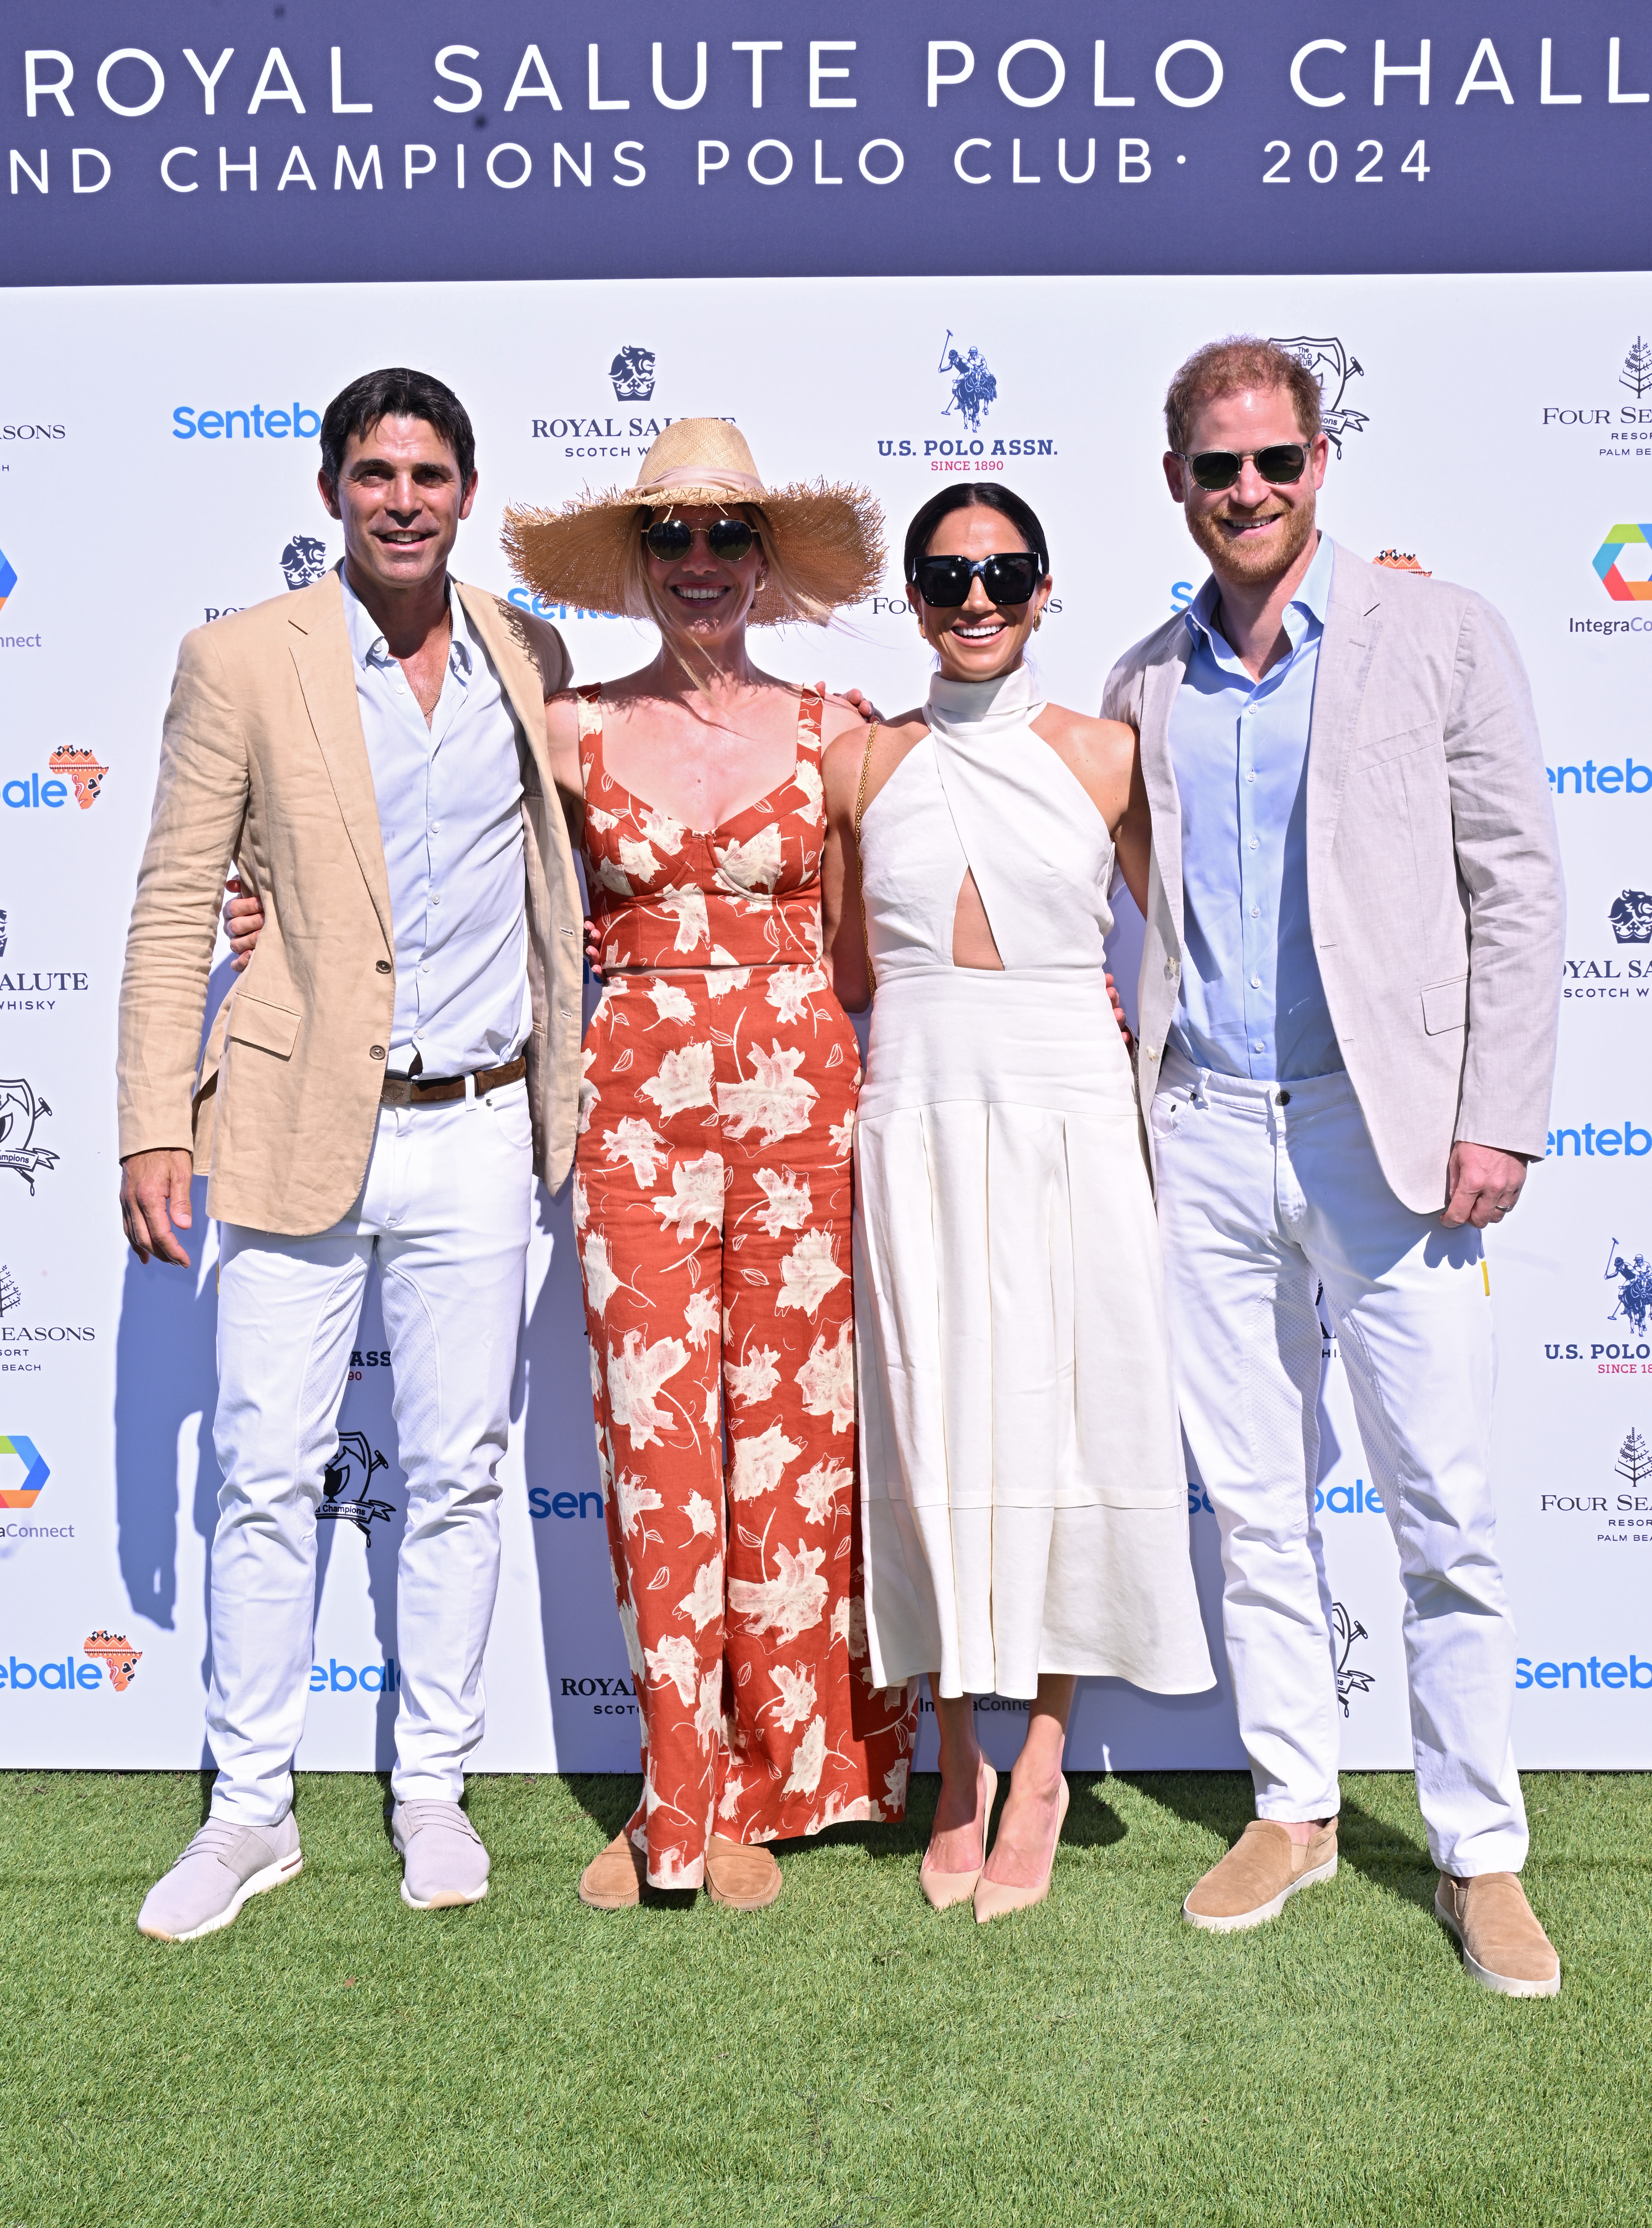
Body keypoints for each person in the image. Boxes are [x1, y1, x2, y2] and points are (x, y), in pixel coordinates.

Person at [1104, 335, 1565, 1995]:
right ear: (1179, 484)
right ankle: (1293, 1804)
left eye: (1275, 462)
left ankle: (1480, 1851)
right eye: (1217, 468)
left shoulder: (1436, 633)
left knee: (1442, 1501)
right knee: (1254, 1500)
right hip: (1210, 1129)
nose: (1248, 491)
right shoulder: (1145, 680)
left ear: (1319, 465)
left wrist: (1498, 1107)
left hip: (1392, 1138)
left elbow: (1515, 879)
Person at [117, 367, 583, 1939]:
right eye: (374, 472)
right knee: (263, 1474)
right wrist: (146, 1120)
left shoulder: (531, 654)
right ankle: (250, 1812)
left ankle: (432, 1790)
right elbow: (180, 897)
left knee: (455, 1475)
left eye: (429, 473)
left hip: (482, 1126)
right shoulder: (240, 661)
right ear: (329, 493)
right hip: (295, 1120)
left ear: (467, 493)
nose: (401, 499)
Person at [503, 420, 919, 1909]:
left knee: (792, 1449)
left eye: (726, 537)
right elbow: (445, 869)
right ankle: (675, 1798)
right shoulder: (570, 731)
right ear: (636, 561)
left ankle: (778, 1779)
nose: (699, 565)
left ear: (765, 560)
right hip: (631, 1113)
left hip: (808, 1102)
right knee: (656, 1449)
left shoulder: (840, 728)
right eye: (670, 539)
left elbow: (876, 942)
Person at [822, 484, 1215, 1923]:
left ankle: (1042, 1757)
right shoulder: (862, 764)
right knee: (933, 1429)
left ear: (1045, 590)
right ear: (911, 599)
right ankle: (958, 1762)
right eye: (946, 575)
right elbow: (848, 967)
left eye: (1003, 573)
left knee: (1060, 1419)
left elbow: (1186, 940)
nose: (975, 599)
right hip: (918, 1103)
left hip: (1070, 1106)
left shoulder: (1109, 755)